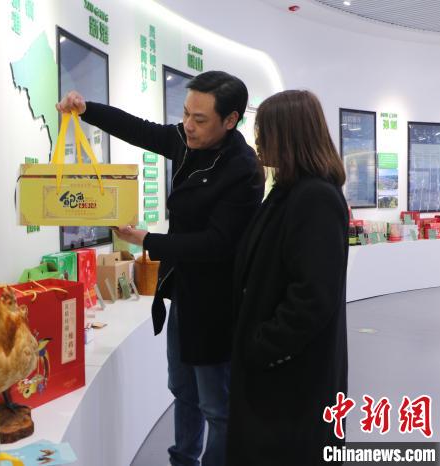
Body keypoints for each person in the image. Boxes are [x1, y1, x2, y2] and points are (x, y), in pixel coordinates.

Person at [57, 71, 264, 466]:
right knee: (183, 391)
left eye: (199, 119)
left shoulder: (242, 170)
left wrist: (146, 240)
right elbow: (140, 130)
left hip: (218, 305)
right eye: (185, 114)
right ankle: (182, 459)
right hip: (184, 291)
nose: (188, 125)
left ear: (230, 120)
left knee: (217, 406)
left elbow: (216, 244)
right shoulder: (187, 142)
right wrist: (87, 110)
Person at [228, 90, 348, 465]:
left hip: (292, 379)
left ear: (288, 134)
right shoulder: (287, 190)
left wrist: (263, 347)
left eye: (264, 131)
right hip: (277, 375)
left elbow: (314, 296)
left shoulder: (315, 197)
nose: (258, 141)